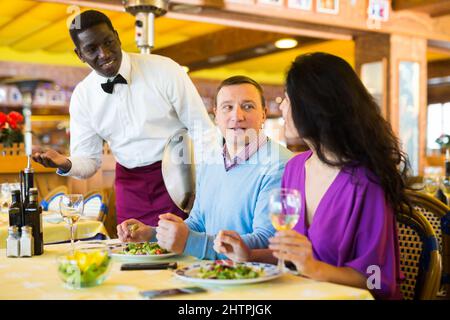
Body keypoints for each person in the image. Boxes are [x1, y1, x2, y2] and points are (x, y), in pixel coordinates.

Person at [214, 53, 409, 300]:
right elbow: (292, 257)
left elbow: (377, 279)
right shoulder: (295, 168)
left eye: (287, 98)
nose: (282, 107)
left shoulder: (367, 182)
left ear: (314, 107)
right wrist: (249, 256)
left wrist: (314, 268)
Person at [31, 10, 216, 226]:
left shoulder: (165, 70)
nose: (104, 53)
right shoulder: (83, 96)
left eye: (108, 42)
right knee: (132, 252)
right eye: (91, 49)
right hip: (130, 185)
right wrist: (65, 163)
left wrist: (206, 185)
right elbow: (89, 161)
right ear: (79, 55)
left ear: (117, 37)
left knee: (181, 250)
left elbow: (202, 130)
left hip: (179, 177)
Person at [117, 76, 292, 259]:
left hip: (255, 280)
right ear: (216, 115)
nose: (237, 116)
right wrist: (152, 235)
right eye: (227, 107)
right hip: (209, 274)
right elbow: (198, 223)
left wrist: (189, 241)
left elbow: (266, 240)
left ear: (263, 114)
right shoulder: (211, 161)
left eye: (248, 106)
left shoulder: (279, 165)